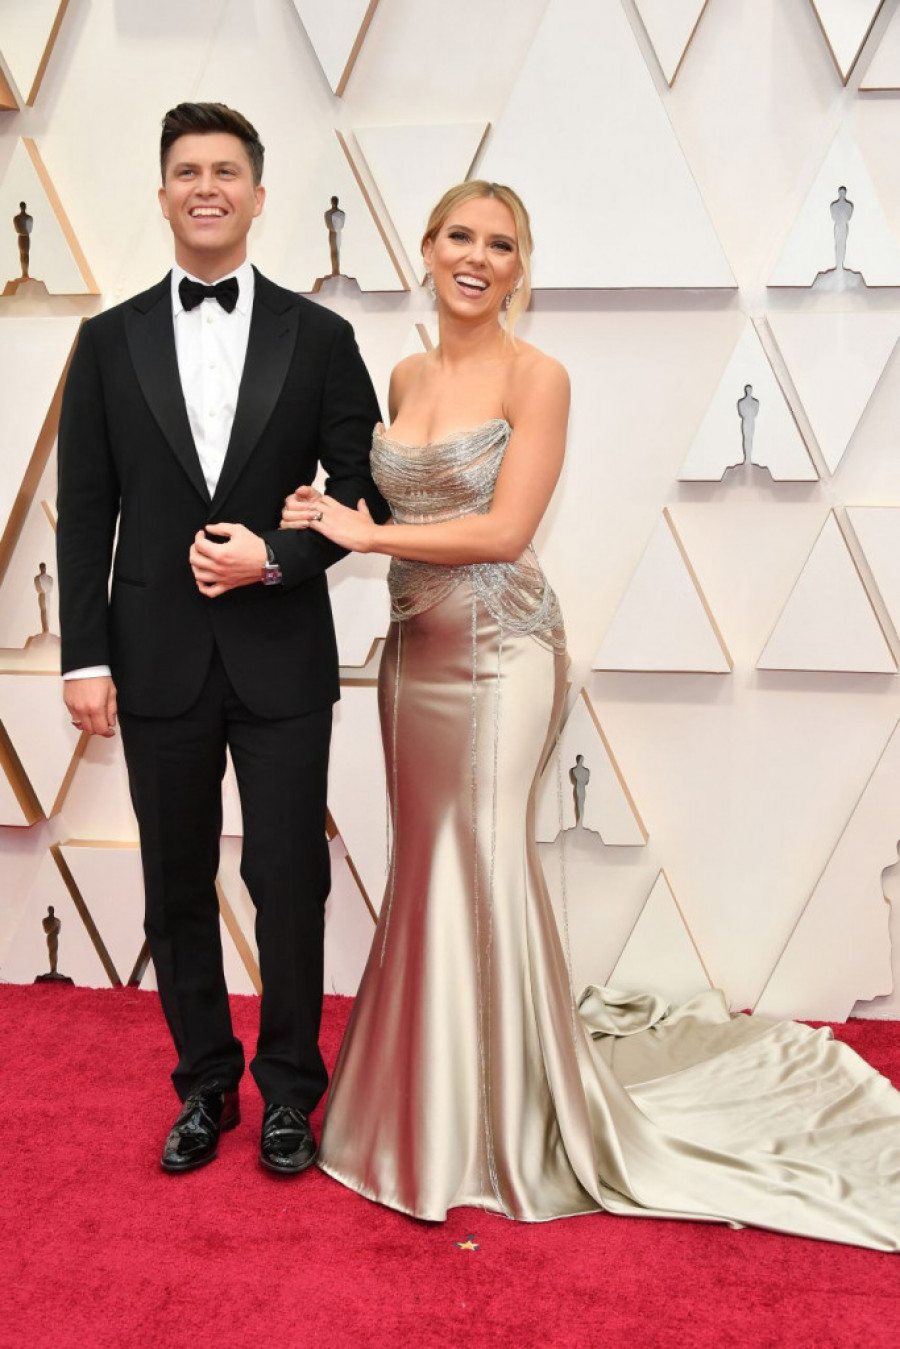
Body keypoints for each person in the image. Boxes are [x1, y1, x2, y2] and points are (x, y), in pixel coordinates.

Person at [280, 180, 900, 1249]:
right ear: (426, 247)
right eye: (461, 236)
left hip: (503, 650)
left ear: (521, 269)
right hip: (413, 656)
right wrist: (323, 517)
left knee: (482, 857)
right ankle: (417, 1111)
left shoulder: (540, 375)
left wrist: (367, 534)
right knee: (426, 863)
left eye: (501, 245)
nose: (477, 258)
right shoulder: (407, 373)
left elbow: (504, 530)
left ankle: (503, 1126)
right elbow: (389, 503)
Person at [56, 102, 386, 1177]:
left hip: (282, 652)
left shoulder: (321, 337)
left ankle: (290, 1091)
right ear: (163, 194)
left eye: (227, 171)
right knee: (175, 883)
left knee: (290, 879)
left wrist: (276, 556)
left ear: (257, 193)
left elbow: (362, 491)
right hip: (153, 656)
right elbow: (86, 506)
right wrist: (84, 655)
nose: (208, 187)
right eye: (189, 171)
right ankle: (205, 1083)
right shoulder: (106, 341)